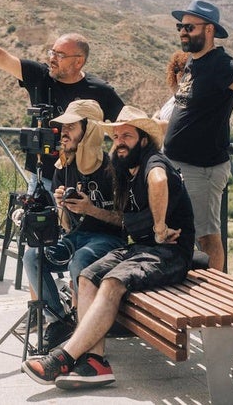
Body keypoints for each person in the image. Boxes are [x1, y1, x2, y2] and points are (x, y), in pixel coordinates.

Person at [22, 106, 195, 390]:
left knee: (113, 282)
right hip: (140, 249)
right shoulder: (126, 170)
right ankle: (95, 362)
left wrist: (161, 226)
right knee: (88, 275)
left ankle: (62, 358)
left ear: (143, 139)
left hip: (171, 252)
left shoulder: (154, 162)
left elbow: (159, 181)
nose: (119, 142)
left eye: (126, 136)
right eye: (115, 137)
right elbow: (122, 218)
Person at [0, 33, 124, 194]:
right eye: (52, 52)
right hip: (43, 176)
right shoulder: (40, 77)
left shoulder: (100, 91)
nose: (52, 58)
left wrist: (111, 166)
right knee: (38, 231)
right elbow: (3, 58)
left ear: (78, 61)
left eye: (60, 55)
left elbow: (126, 127)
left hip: (83, 180)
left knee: (78, 233)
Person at [163, 0, 233, 271]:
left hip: (202, 168)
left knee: (207, 235)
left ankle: (216, 294)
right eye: (180, 26)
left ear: (209, 29)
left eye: (188, 27)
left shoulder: (222, 64)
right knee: (180, 231)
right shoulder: (192, 63)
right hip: (177, 164)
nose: (182, 32)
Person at [22, 99, 124, 350]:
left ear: (88, 130)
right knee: (33, 257)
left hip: (111, 241)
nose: (63, 133)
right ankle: (57, 320)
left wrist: (91, 209)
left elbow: (125, 221)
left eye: (71, 127)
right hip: (77, 237)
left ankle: (86, 330)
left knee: (80, 260)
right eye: (62, 128)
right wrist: (62, 206)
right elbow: (67, 226)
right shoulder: (63, 168)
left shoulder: (114, 169)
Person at [152, 50, 189, 134]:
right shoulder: (175, 98)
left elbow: (167, 127)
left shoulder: (191, 101)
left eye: (185, 71)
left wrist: (154, 119)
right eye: (177, 70)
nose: (180, 74)